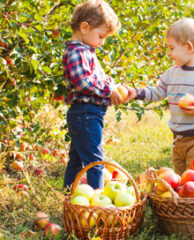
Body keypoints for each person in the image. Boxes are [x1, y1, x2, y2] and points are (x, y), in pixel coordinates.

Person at [126, 18, 194, 174]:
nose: (169, 53)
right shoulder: (172, 73)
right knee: (181, 179)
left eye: (172, 48)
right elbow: (157, 92)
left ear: (188, 47)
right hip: (178, 138)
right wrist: (136, 93)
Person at [62, 0, 122, 191]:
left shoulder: (87, 51)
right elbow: (84, 82)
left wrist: (112, 85)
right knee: (95, 161)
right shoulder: (76, 53)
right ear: (85, 27)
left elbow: (99, 77)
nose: (102, 41)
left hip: (88, 114)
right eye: (101, 36)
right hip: (85, 114)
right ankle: (97, 201)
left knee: (77, 160)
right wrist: (108, 90)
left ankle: (67, 196)